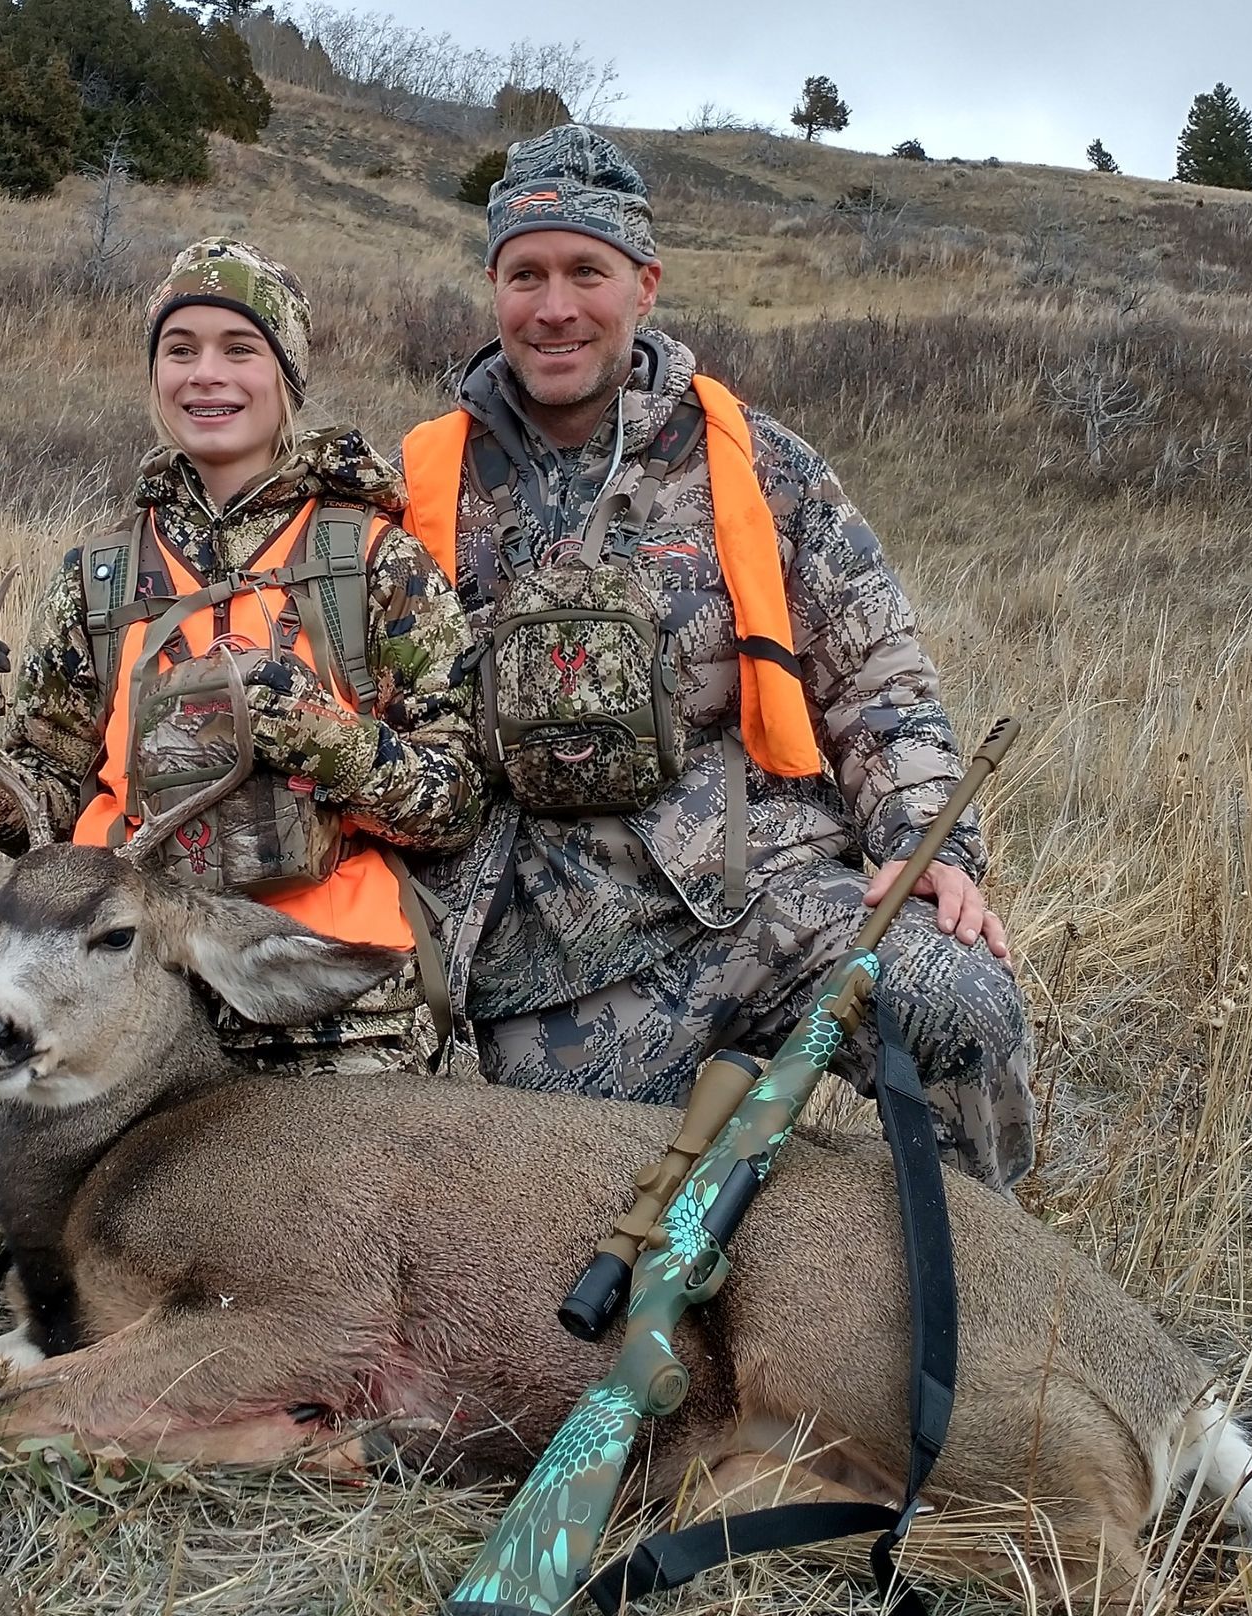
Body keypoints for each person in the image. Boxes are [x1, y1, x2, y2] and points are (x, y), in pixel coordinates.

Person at [397, 126, 1034, 1189]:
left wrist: (931, 853)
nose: (554, 307)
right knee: (564, 1242)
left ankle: (981, 1295)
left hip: (765, 901)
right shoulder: (416, 482)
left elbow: (879, 677)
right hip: (536, 951)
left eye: (585, 272)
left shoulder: (761, 465)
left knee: (960, 999)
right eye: (526, 275)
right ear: (495, 288)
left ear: (644, 285)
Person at [0, 239, 484, 1313]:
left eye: (240, 350)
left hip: (319, 978)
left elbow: (456, 797)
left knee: (302, 1275)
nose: (209, 374)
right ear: (155, 378)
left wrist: (318, 736)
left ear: (285, 380)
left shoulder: (373, 562)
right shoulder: (102, 577)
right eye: (181, 349)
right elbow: (49, 822)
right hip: (117, 968)